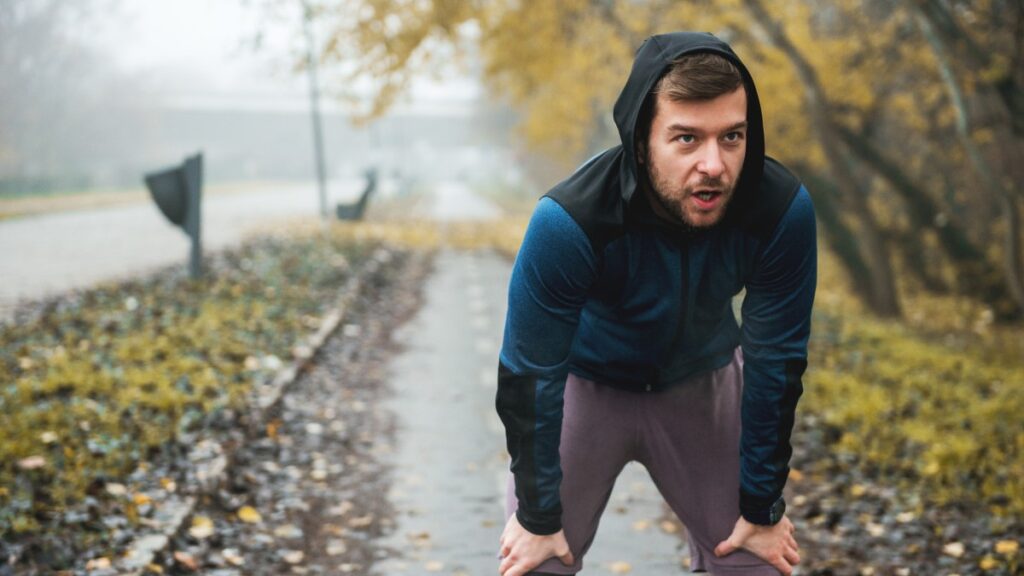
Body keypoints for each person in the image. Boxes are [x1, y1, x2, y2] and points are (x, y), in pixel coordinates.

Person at [495, 31, 816, 576]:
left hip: (702, 386)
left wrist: (763, 506)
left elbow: (777, 364)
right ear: (642, 139)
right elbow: (530, 374)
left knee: (754, 561)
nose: (714, 164)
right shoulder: (569, 222)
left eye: (732, 136)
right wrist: (536, 514)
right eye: (687, 139)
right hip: (587, 386)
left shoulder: (779, 209)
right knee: (536, 563)